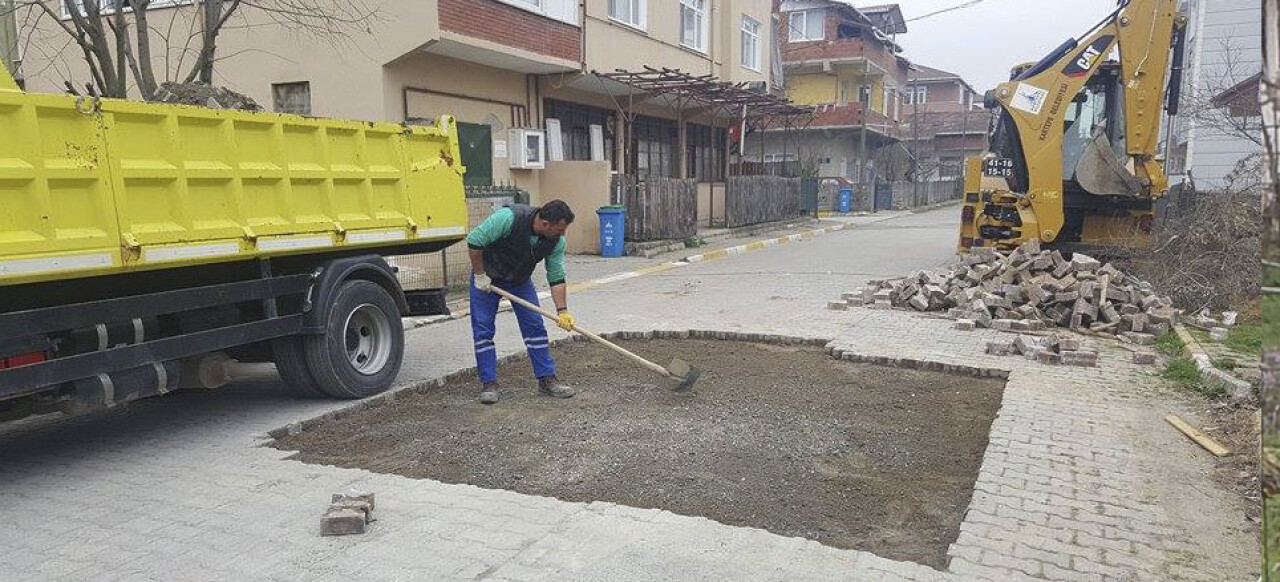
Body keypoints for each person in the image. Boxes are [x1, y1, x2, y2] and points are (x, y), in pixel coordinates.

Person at [466, 200, 578, 404]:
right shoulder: (508, 218)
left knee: (534, 326)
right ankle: (489, 383)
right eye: (559, 229)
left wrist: (562, 311)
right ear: (546, 224)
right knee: (483, 330)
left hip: (519, 280)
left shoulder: (555, 241)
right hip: (487, 278)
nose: (562, 234)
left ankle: (546, 379)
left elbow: (556, 275)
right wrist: (480, 274)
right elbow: (475, 240)